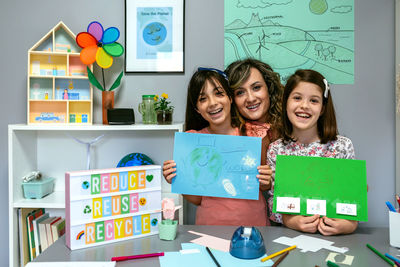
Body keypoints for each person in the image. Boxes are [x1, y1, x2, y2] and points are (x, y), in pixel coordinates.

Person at [163, 67, 270, 226]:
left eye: (219, 94)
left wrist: (266, 181)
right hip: (210, 227)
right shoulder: (193, 140)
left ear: (230, 98)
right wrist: (177, 179)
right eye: (203, 99)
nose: (213, 103)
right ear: (197, 109)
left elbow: (262, 186)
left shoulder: (254, 134)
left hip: (255, 228)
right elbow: (198, 199)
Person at [266, 69, 358, 235]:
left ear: (322, 108)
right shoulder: (276, 150)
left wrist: (349, 225)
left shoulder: (342, 146)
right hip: (289, 238)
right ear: (286, 102)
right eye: (297, 98)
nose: (304, 106)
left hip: (335, 241)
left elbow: (351, 202)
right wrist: (290, 221)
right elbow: (274, 203)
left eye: (314, 100)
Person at [225, 59, 284, 193]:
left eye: (256, 87)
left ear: (269, 88)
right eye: (240, 92)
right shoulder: (232, 136)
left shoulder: (293, 124)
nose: (250, 98)